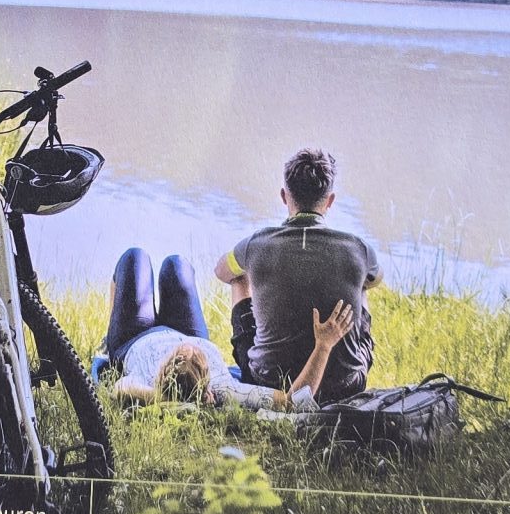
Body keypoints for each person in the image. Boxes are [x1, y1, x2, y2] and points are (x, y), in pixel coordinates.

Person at [214, 147, 378, 404]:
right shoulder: (358, 248)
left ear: (284, 196)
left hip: (267, 381)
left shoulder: (256, 244)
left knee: (239, 278)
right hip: (346, 386)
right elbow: (376, 278)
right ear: (330, 201)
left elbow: (222, 272)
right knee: (363, 284)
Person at [98, 245, 350, 409]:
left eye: (178, 358)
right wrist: (323, 346)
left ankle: (109, 339)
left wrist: (162, 399)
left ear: (164, 372)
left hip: (135, 338)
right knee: (177, 264)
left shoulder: (144, 384)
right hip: (188, 332)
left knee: (134, 257)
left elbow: (120, 389)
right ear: (207, 380)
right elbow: (292, 403)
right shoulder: (224, 388)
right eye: (195, 359)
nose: (187, 350)